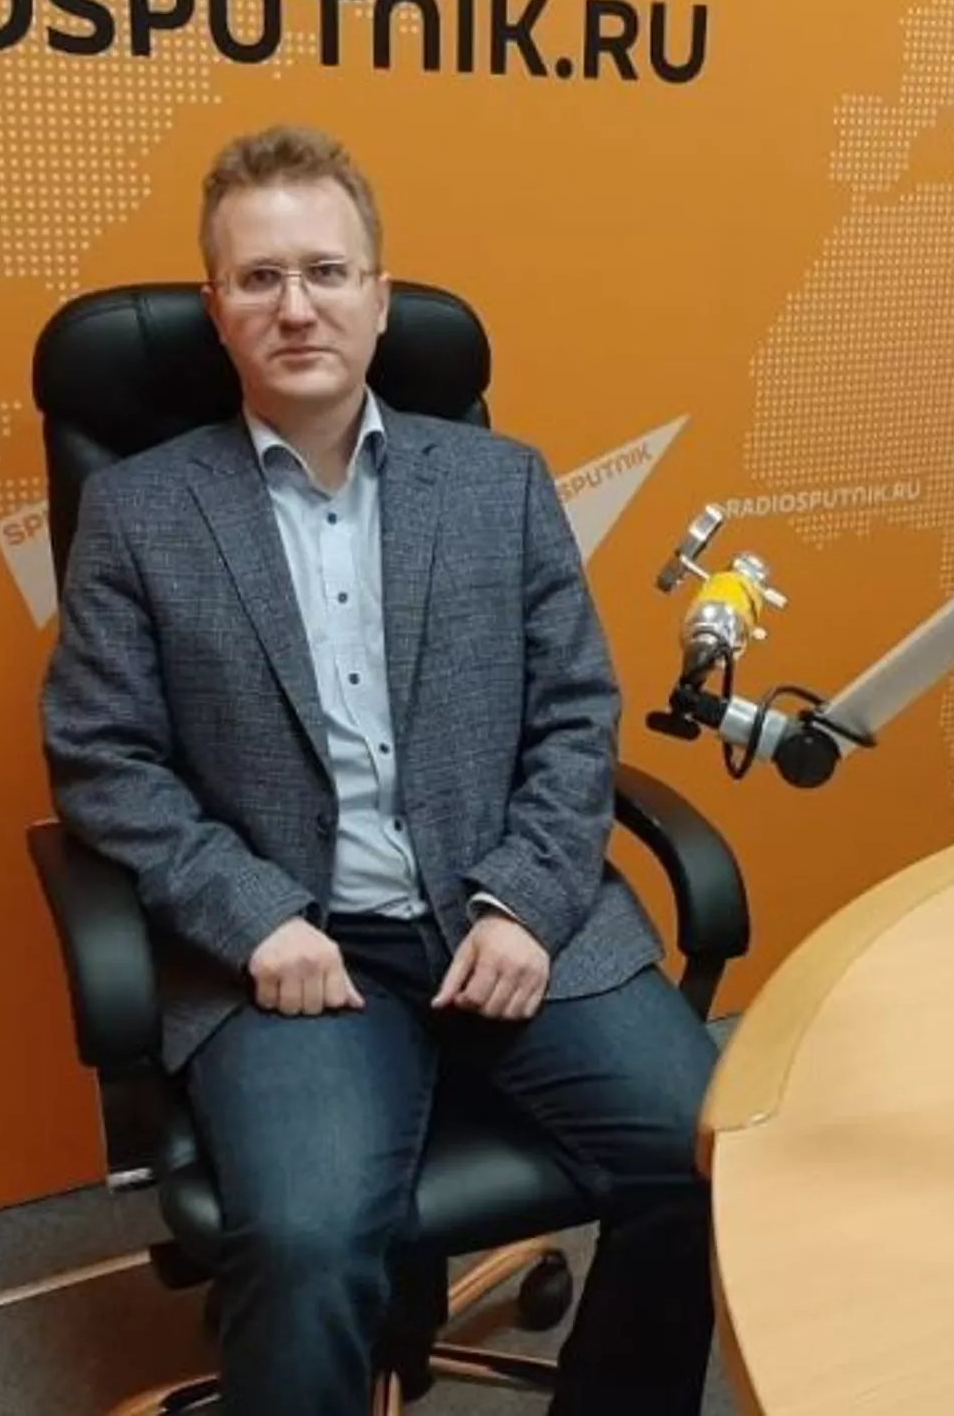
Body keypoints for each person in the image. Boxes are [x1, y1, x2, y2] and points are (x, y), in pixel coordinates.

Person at [40, 124, 718, 1416]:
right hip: (297, 952)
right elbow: (104, 758)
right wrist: (256, 917)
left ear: (380, 297)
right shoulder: (141, 510)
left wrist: (526, 900)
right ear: (217, 310)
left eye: (326, 271)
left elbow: (577, 712)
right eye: (259, 278)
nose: (296, 306)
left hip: (509, 918)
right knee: (305, 1241)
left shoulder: (501, 484)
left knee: (703, 1156)